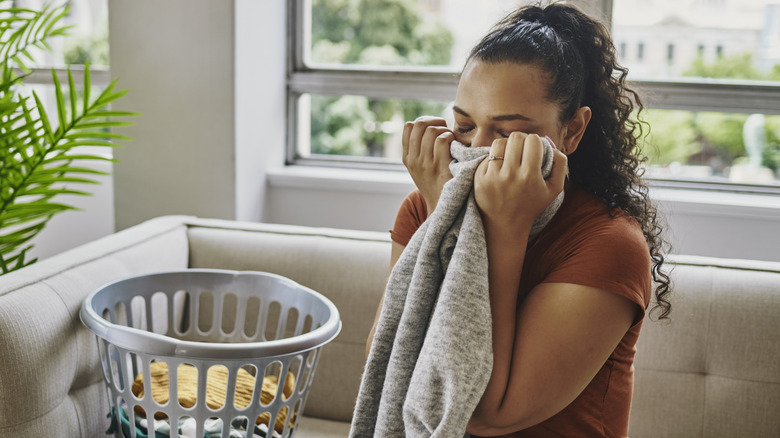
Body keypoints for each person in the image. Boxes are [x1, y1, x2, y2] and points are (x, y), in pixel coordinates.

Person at [365, 2, 672, 437]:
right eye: (465, 126)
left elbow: (485, 413)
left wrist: (503, 231)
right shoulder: (425, 205)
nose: (481, 150)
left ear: (572, 131)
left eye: (507, 133)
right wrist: (443, 216)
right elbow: (391, 363)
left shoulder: (609, 244)